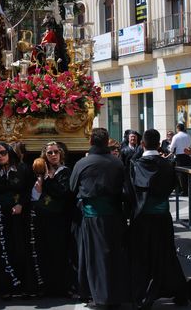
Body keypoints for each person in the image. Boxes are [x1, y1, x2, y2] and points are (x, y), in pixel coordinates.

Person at [125, 129, 187, 308]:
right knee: (166, 253)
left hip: (141, 216)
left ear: (142, 144)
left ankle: (142, 294)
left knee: (141, 256)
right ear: (159, 145)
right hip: (162, 215)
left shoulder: (135, 164)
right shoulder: (168, 164)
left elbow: (130, 193)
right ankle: (177, 291)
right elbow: (173, 185)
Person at [70, 127, 130, 307]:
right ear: (106, 143)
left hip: (92, 216)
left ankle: (98, 296)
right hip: (114, 215)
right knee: (113, 256)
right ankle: (116, 293)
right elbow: (125, 190)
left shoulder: (82, 163)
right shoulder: (117, 163)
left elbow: (72, 187)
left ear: (90, 142)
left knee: (94, 258)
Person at [0, 142, 32, 298]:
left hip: (18, 213)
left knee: (20, 248)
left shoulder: (22, 168)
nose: (0, 156)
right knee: (2, 250)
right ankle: (5, 286)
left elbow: (28, 189)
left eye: (3, 153)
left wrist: (21, 204)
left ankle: (22, 285)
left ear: (9, 153)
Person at [28, 141, 73, 297]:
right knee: (43, 252)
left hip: (59, 218)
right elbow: (34, 195)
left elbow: (63, 193)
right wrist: (41, 183)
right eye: (49, 153)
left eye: (56, 152)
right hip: (42, 217)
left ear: (61, 153)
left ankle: (61, 286)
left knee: (59, 252)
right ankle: (47, 285)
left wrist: (50, 180)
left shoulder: (65, 172)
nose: (53, 155)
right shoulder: (40, 172)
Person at [169, 123, 191, 195]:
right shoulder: (188, 136)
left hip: (179, 157)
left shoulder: (176, 136)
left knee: (180, 174)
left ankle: (184, 191)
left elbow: (172, 147)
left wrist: (171, 151)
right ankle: (188, 190)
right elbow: (190, 144)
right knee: (187, 173)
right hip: (187, 156)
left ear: (177, 128)